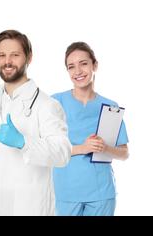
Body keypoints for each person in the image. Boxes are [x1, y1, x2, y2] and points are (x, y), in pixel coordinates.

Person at [0, 30, 71, 216]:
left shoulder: (46, 105)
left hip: (28, 208)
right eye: (2, 55)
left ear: (29, 58)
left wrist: (23, 142)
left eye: (15, 55)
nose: (7, 61)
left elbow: (63, 152)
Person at [52, 42, 129, 216]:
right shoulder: (55, 103)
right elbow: (48, 148)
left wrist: (106, 148)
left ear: (95, 65)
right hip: (66, 193)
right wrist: (83, 148)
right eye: (71, 67)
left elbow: (124, 153)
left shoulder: (110, 107)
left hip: (102, 193)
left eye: (84, 63)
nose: (78, 71)